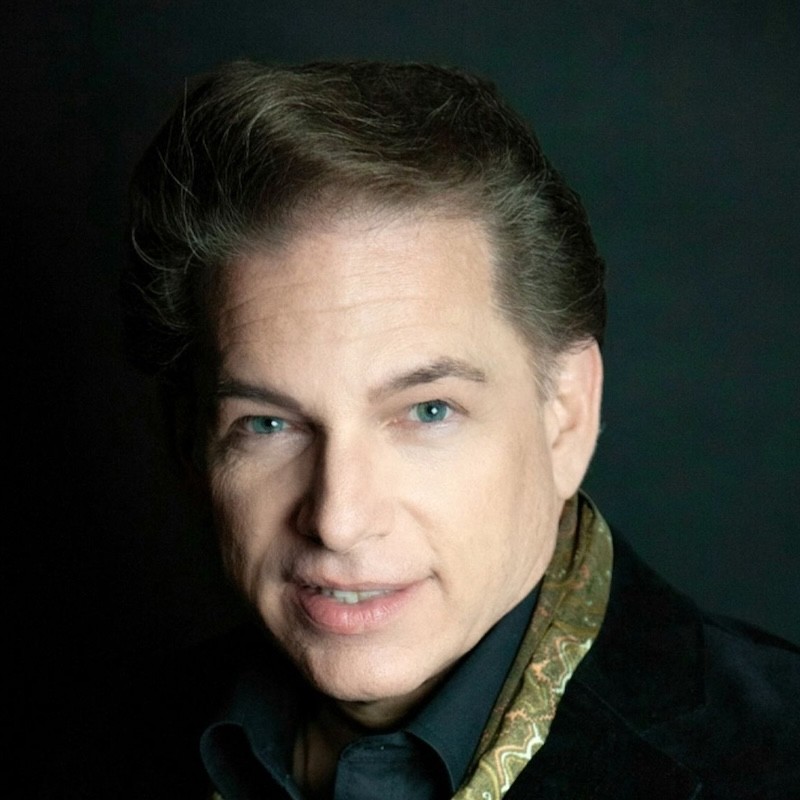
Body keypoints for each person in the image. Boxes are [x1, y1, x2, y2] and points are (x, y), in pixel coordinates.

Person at [46, 60, 798, 799]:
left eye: (427, 411)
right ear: (192, 444)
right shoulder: (87, 746)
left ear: (566, 413)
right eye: (269, 423)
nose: (338, 520)